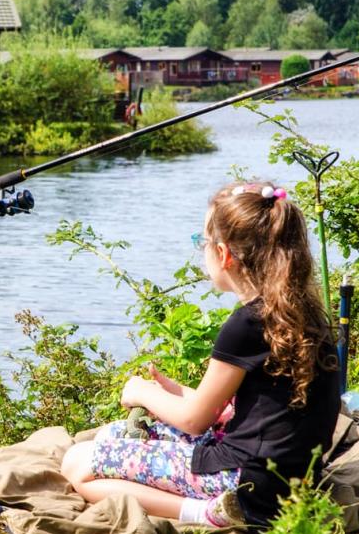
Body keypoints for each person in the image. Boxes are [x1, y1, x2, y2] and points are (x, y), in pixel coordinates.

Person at [61, 182, 340, 528]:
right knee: (111, 436)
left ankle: (208, 514)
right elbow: (253, 411)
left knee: (77, 463)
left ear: (223, 254)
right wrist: (175, 393)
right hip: (292, 478)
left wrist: (143, 392)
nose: (202, 250)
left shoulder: (246, 325)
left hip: (245, 483)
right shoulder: (302, 312)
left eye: (203, 243)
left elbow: (195, 420)